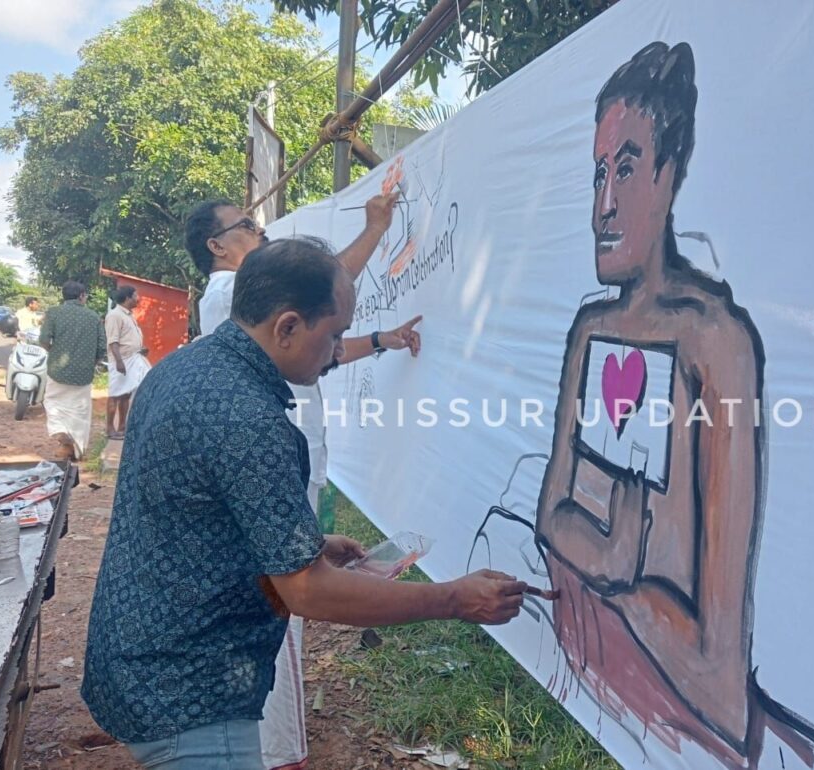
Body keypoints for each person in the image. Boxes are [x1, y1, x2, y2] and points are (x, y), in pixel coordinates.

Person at [534, 43, 814, 770]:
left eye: (627, 167)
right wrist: (613, 560)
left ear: (671, 171)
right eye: (598, 172)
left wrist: (615, 574)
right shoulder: (591, 331)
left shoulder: (715, 344)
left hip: (670, 720)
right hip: (591, 674)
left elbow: (718, 678)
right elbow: (549, 516)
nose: (603, 205)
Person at [82, 239, 527, 769]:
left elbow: (192, 509)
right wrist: (452, 599)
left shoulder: (184, 368)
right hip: (189, 693)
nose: (338, 351)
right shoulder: (249, 418)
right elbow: (307, 591)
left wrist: (299, 541)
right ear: (288, 327)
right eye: (334, 334)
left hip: (135, 657)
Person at [185, 197, 422, 770]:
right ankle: (276, 753)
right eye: (246, 225)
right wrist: (376, 227)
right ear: (216, 246)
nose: (260, 229)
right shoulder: (226, 293)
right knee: (279, 609)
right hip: (275, 478)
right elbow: (320, 291)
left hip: (290, 475)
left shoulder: (244, 349)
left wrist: (381, 340)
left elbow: (320, 348)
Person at [39, 280, 107, 461]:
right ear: (81, 296)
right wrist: (93, 362)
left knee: (53, 403)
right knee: (80, 411)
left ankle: (62, 437)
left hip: (57, 371)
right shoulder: (93, 317)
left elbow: (44, 339)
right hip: (83, 374)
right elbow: (102, 347)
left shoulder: (53, 313)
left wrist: (52, 351)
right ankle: (77, 449)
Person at [104, 285, 151, 439]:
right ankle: (110, 429)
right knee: (115, 394)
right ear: (127, 298)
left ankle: (122, 427)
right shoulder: (114, 315)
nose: (138, 299)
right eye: (136, 296)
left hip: (134, 358)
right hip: (122, 360)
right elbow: (113, 341)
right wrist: (119, 361)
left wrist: (140, 349)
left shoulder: (129, 315)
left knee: (126, 394)